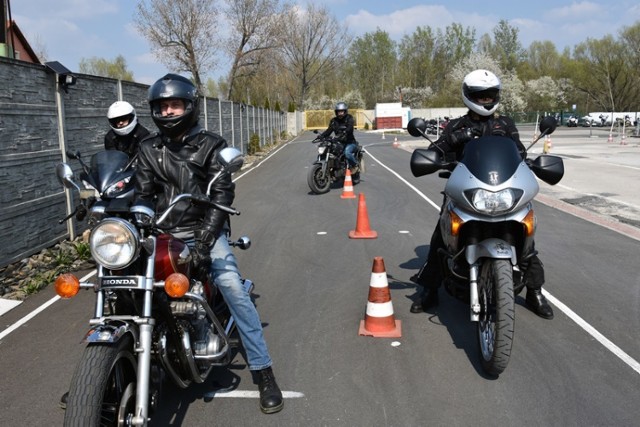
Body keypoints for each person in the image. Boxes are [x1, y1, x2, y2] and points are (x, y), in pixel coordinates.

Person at [134, 73, 284, 414]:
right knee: (127, 285)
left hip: (205, 230)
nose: (169, 112)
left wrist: (203, 244)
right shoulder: (148, 149)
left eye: (175, 105)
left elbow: (221, 194)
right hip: (162, 233)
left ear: (189, 107)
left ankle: (263, 370)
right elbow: (143, 194)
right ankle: (107, 370)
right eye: (163, 107)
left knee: (232, 286)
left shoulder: (211, 145)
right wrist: (140, 222)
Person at [409, 69, 554, 320]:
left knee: (527, 240)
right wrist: (456, 138)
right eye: (481, 95)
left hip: (501, 192)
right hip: (465, 193)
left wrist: (529, 163)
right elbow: (438, 152)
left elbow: (519, 154)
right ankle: (428, 288)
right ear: (469, 96)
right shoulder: (456, 125)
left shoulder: (505, 124)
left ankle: (534, 290)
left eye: (490, 95)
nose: (486, 100)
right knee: (440, 239)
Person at [318, 101, 359, 173]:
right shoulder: (334, 121)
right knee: (330, 151)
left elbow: (350, 128)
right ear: (336, 112)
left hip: (350, 142)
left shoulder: (349, 118)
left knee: (347, 153)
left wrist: (345, 132)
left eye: (342, 111)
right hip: (339, 142)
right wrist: (321, 136)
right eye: (338, 111)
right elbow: (329, 130)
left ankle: (355, 165)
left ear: (345, 111)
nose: (340, 113)